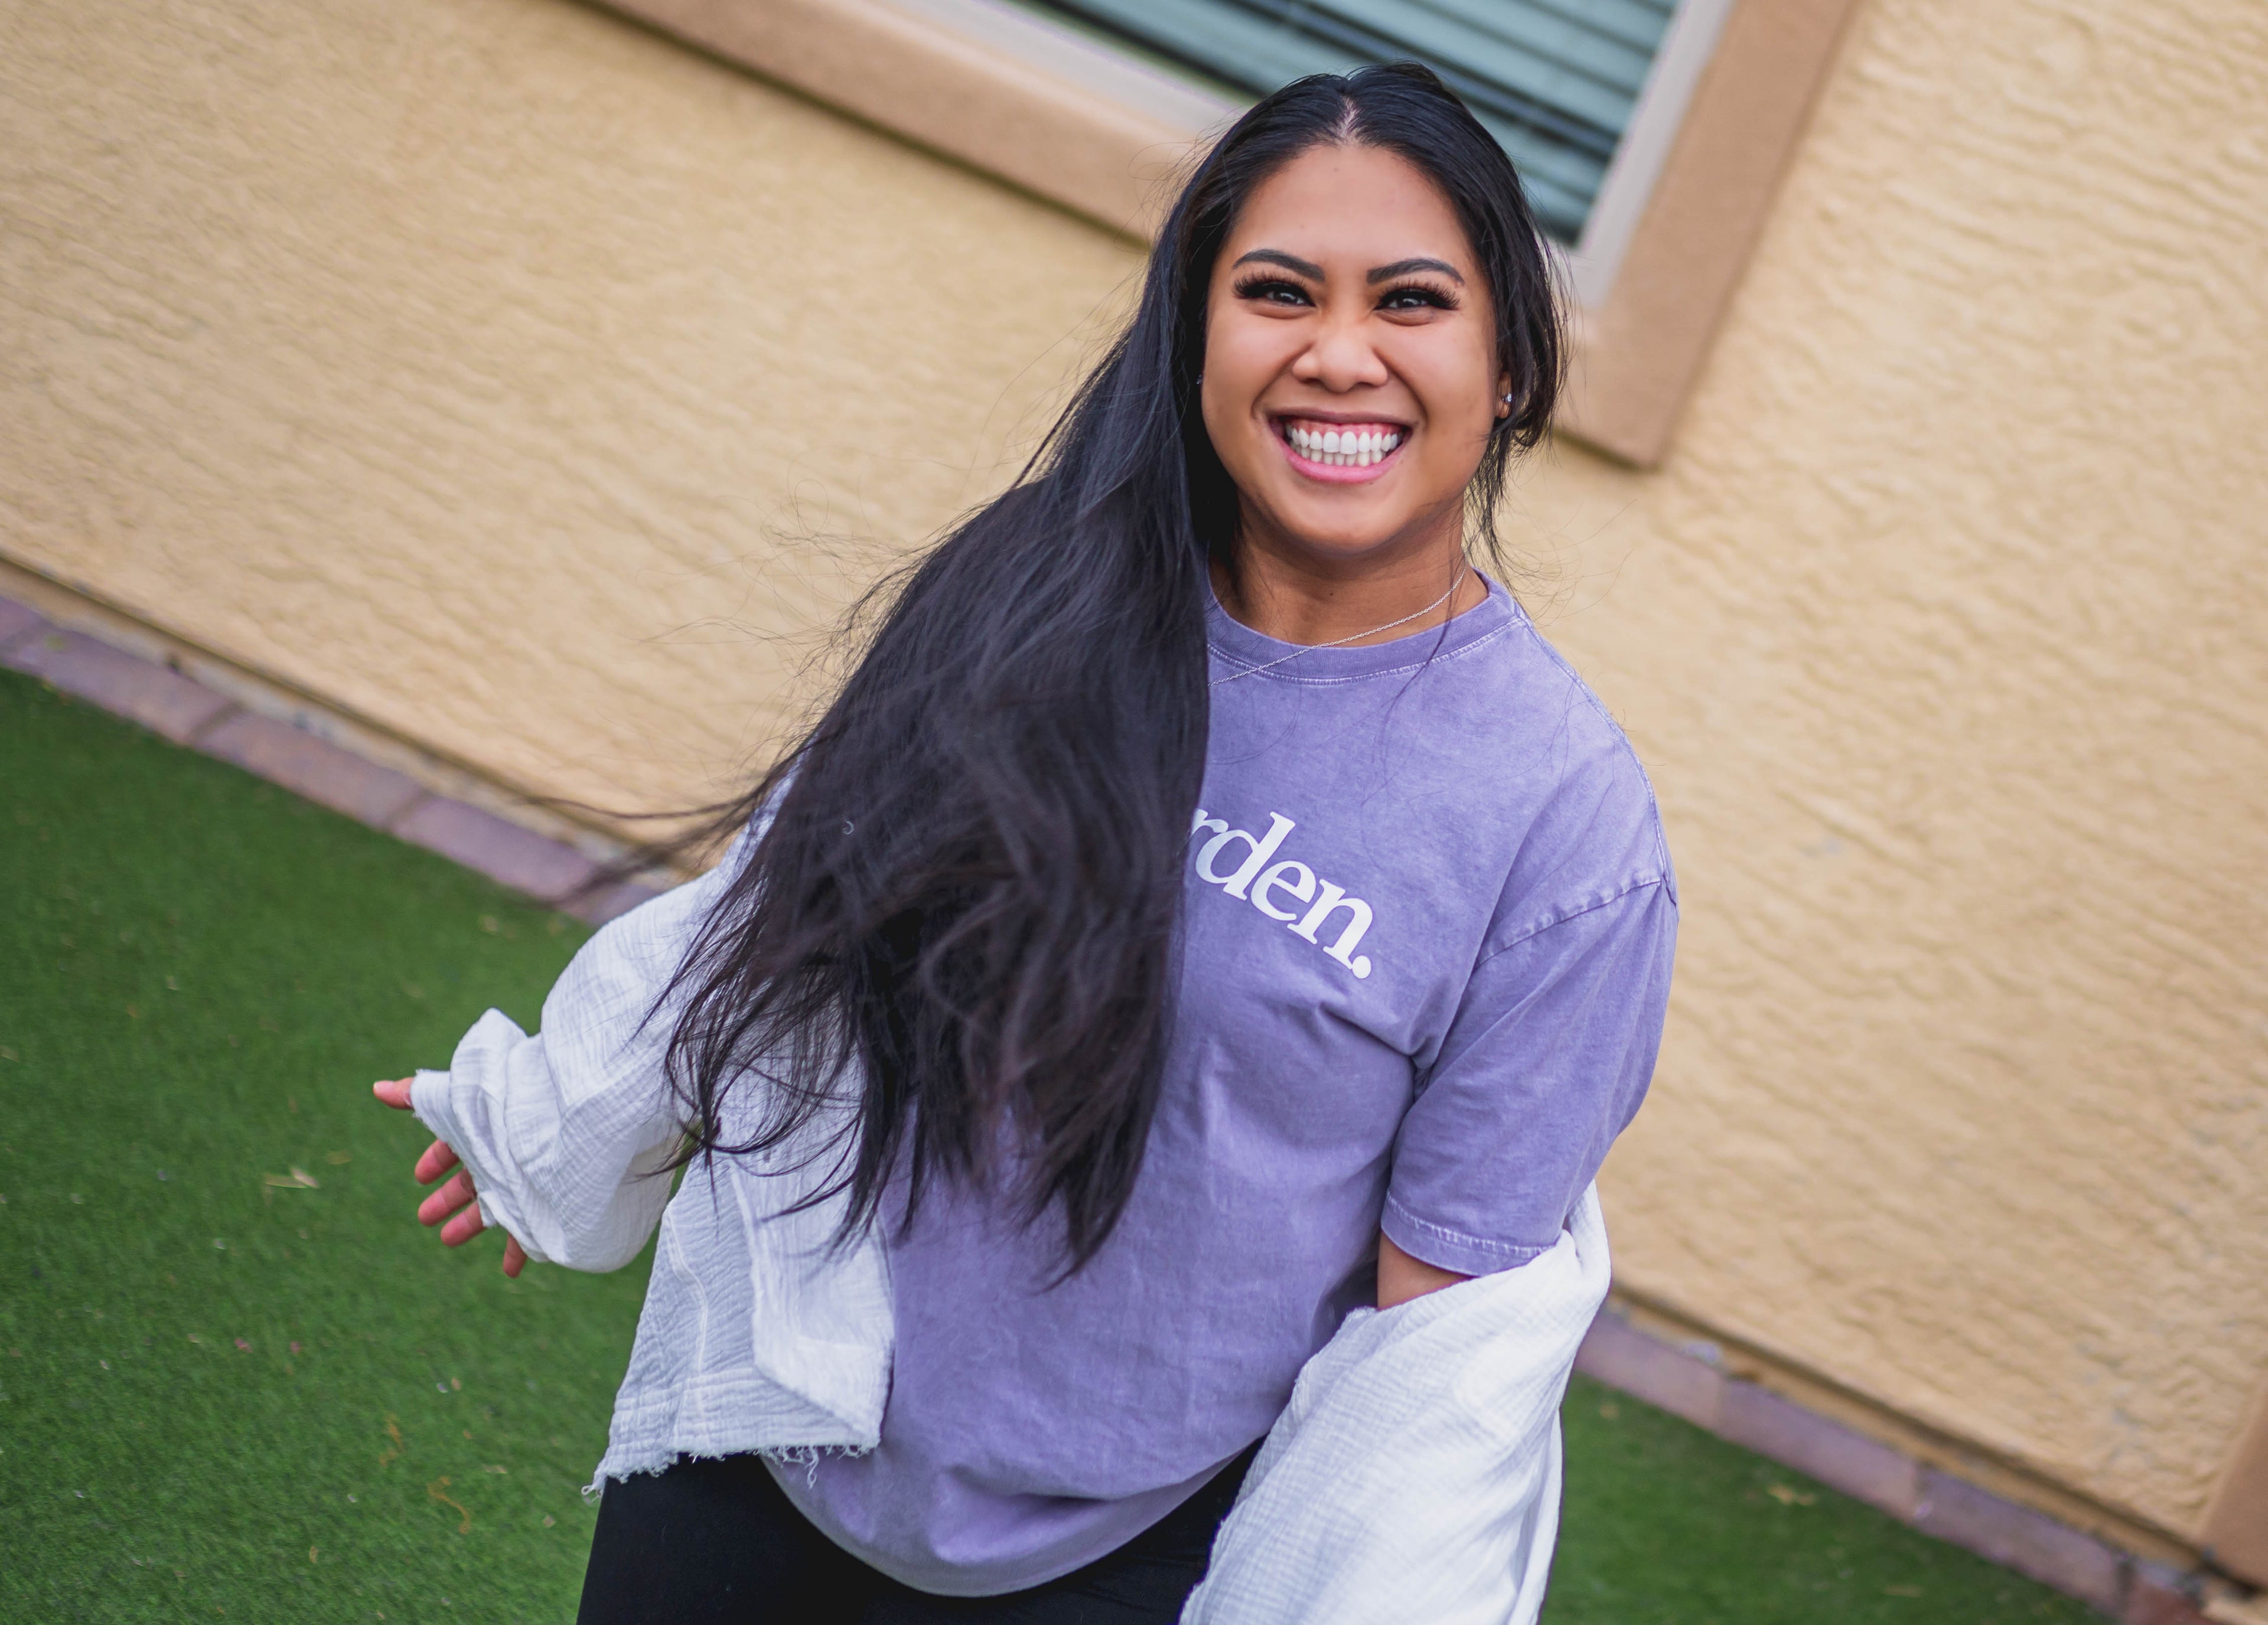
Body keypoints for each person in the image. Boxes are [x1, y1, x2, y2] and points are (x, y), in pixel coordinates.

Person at [373, 62, 1676, 1624]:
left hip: (1116, 1556)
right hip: (770, 1445)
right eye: (1276, 291)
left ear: (1511, 365)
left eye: (1411, 302)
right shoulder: (1032, 591)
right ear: (1195, 333)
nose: (1340, 354)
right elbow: (785, 910)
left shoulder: (1562, 830)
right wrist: (568, 1125)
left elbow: (1439, 1357)